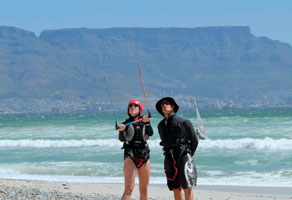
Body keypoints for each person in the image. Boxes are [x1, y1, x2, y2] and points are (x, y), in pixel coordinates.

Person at [156, 97, 198, 200]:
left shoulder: (184, 122)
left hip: (183, 156)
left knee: (187, 186)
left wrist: (188, 155)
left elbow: (194, 141)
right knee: (175, 187)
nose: (164, 105)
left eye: (167, 103)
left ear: (173, 106)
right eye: (162, 105)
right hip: (169, 157)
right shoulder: (160, 125)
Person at [119, 99, 153, 200]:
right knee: (129, 189)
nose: (132, 107)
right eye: (130, 106)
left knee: (144, 189)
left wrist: (147, 123)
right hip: (130, 154)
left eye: (135, 106)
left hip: (144, 154)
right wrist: (121, 131)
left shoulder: (144, 121)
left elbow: (150, 133)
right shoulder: (125, 124)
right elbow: (122, 139)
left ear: (140, 109)